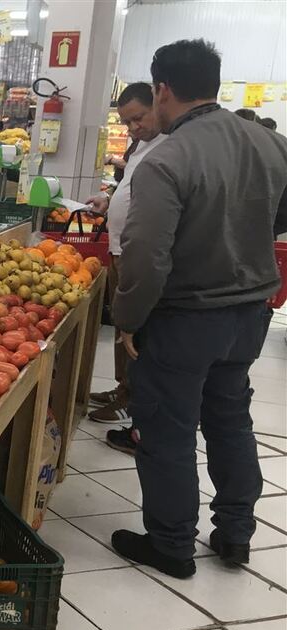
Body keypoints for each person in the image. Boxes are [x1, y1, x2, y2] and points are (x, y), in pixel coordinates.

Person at [110, 39, 287, 579]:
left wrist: (129, 320)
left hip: (186, 318)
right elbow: (281, 217)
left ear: (162, 89)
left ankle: (171, 545)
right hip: (250, 312)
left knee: (167, 430)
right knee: (231, 420)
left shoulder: (167, 158)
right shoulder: (268, 142)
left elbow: (145, 255)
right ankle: (235, 534)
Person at [83, 82, 167, 451]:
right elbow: (132, 190)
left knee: (133, 330)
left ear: (159, 104)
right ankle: (122, 388)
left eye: (138, 118)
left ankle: (130, 403)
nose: (132, 127)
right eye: (126, 121)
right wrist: (108, 201)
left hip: (137, 254)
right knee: (121, 327)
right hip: (119, 250)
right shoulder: (143, 145)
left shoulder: (171, 146)